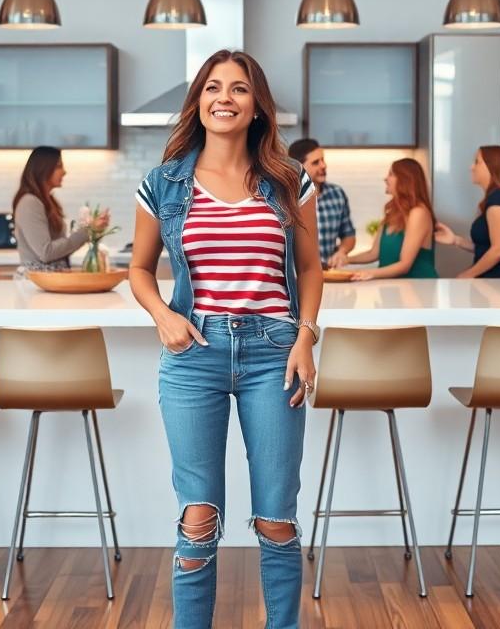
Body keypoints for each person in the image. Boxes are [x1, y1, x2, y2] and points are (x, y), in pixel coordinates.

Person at [129, 49, 322, 629]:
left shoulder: (290, 180)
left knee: (276, 518)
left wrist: (306, 337)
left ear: (257, 104)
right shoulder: (162, 183)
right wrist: (163, 315)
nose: (225, 98)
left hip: (275, 354)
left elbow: (311, 269)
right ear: (199, 101)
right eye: (214, 87)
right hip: (194, 355)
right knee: (198, 515)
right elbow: (138, 269)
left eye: (239, 89)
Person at [434, 145, 500, 278]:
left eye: (477, 162)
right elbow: (486, 248)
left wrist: (467, 275)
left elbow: (498, 250)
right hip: (497, 282)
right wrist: (455, 240)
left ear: (491, 167)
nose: (471, 167)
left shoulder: (499, 200)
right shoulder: (495, 198)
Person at [343, 157, 439, 279]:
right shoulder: (392, 213)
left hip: (419, 288)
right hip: (395, 287)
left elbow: (405, 265)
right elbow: (374, 253)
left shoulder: (418, 213)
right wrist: (347, 260)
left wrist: (368, 273)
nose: (385, 178)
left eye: (391, 174)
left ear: (405, 180)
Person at [12, 146, 90, 271]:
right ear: (43, 169)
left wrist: (89, 231)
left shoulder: (47, 200)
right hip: (37, 283)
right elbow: (46, 252)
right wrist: (86, 232)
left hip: (50, 281)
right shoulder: (29, 202)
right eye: (59, 166)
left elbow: (58, 250)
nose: (64, 172)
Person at [288, 137, 356, 268]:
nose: (323, 165)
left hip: (328, 274)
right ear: (298, 167)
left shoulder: (336, 193)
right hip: (296, 278)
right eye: (315, 163)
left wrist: (342, 252)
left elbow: (349, 235)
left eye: (323, 160)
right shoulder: (285, 197)